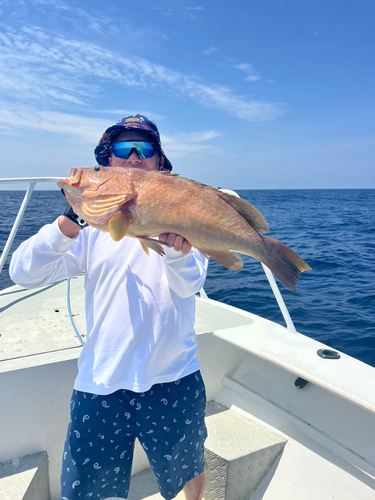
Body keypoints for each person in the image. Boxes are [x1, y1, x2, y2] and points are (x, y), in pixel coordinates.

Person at [9, 115, 209, 500]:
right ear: (107, 164)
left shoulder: (183, 212)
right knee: (88, 490)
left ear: (160, 165)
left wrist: (175, 248)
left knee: (190, 464)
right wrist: (73, 218)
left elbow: (190, 284)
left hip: (175, 374)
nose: (133, 157)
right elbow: (22, 273)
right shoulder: (90, 231)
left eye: (145, 150)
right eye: (121, 150)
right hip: (100, 381)